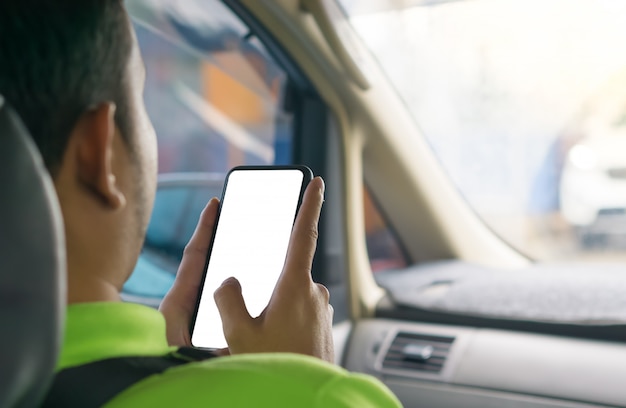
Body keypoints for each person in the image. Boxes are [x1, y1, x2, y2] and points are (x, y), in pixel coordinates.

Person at [0, 1, 401, 406]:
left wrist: (163, 354)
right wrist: (297, 380)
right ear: (97, 153)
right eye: (141, 101)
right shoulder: (308, 396)